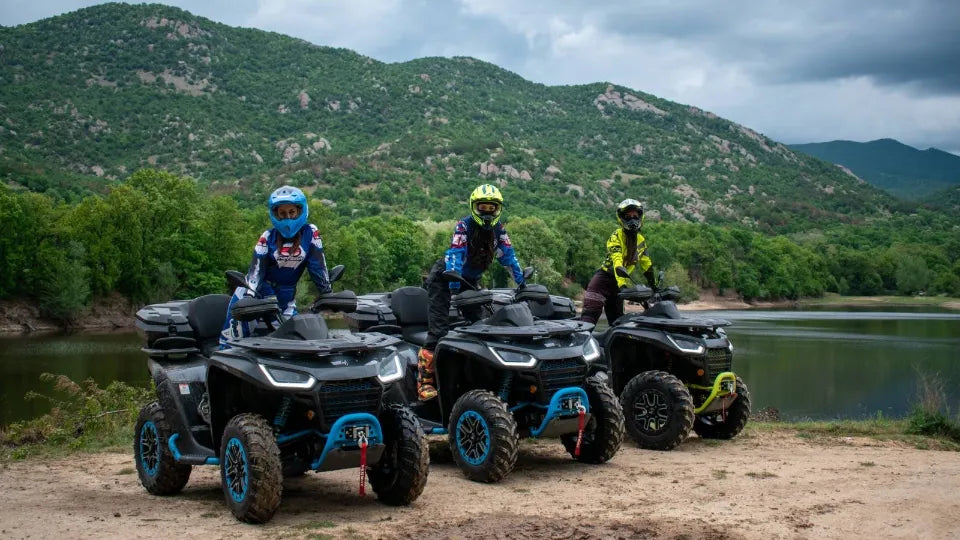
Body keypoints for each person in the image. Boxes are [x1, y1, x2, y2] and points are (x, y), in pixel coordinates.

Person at [417, 184, 525, 400]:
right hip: (445, 276)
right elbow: (455, 252)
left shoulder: (499, 230)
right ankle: (424, 383)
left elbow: (509, 256)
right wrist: (454, 279)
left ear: (498, 209)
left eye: (491, 208)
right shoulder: (463, 226)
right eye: (482, 207)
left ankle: (477, 377)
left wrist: (522, 283)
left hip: (469, 280)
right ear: (474, 207)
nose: (486, 212)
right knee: (438, 330)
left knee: (481, 327)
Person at [220, 186, 331, 346]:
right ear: (275, 215)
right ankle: (222, 359)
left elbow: (318, 266)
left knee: (296, 342)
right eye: (282, 214)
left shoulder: (310, 233)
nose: (288, 218)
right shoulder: (267, 237)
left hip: (286, 300)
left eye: (291, 212)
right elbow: (256, 270)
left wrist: (326, 292)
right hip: (257, 295)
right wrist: (250, 297)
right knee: (233, 340)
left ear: (300, 211)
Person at [580, 198, 655, 325]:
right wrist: (622, 285)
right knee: (588, 321)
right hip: (602, 281)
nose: (632, 219)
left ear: (640, 218)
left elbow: (647, 264)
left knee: (618, 324)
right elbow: (617, 261)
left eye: (635, 216)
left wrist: (655, 286)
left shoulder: (641, 240)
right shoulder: (615, 236)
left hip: (618, 286)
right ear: (621, 218)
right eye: (628, 216)